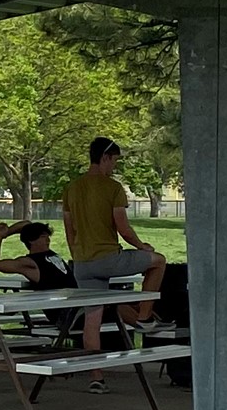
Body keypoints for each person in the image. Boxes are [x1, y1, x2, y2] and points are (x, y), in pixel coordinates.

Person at [58, 137, 165, 361]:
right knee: (158, 261)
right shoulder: (113, 188)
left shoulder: (72, 188)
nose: (113, 166)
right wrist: (141, 246)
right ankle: (144, 318)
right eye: (114, 161)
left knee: (92, 321)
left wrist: (76, 254)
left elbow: (70, 230)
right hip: (108, 258)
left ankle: (95, 376)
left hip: (82, 263)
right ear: (105, 157)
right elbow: (123, 227)